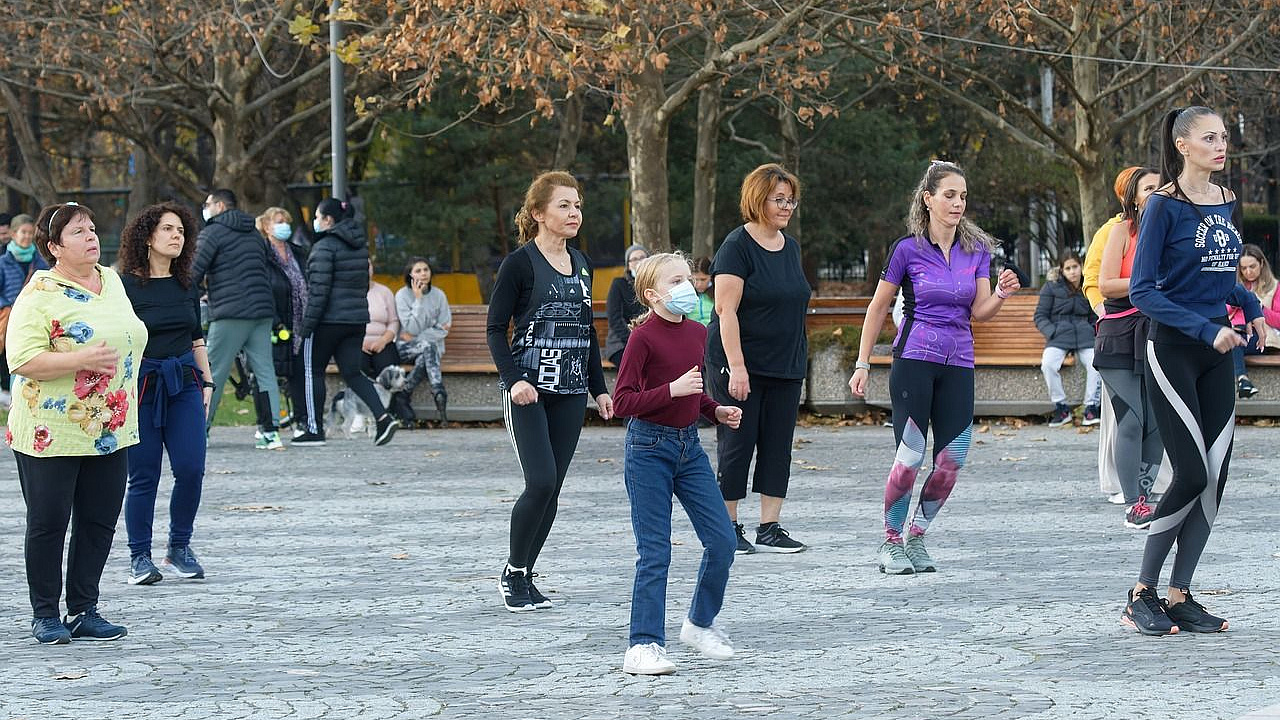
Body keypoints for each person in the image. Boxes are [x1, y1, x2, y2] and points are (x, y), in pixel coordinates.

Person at [1122, 106, 1266, 636]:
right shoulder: (1163, 206)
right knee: (1191, 473)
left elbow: (1218, 275)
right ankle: (1142, 592)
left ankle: (1181, 594)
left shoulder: (1227, 202)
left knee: (1215, 476)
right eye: (1210, 138)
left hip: (1217, 356)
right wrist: (1207, 330)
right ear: (1183, 146)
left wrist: (1249, 307)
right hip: (1173, 351)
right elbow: (1144, 291)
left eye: (1224, 137)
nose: (1221, 145)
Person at [849, 161, 1022, 575]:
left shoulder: (977, 250)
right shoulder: (907, 249)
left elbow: (980, 312)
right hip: (913, 361)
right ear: (928, 199)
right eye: (949, 195)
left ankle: (917, 537)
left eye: (963, 196)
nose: (958, 203)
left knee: (952, 460)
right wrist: (862, 363)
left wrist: (999, 293)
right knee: (909, 457)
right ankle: (891, 542)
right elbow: (877, 308)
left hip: (959, 363)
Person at [6, 201, 147, 643]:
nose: (91, 237)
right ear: (54, 247)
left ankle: (84, 609)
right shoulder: (39, 292)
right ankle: (45, 614)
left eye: (91, 228)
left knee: (100, 520)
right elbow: (22, 359)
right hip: (51, 429)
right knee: (49, 522)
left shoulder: (113, 281)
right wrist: (80, 357)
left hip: (110, 426)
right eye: (78, 232)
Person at [486, 170, 613, 612]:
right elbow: (494, 330)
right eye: (564, 205)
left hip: (571, 392)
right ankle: (512, 571)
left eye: (577, 205)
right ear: (539, 213)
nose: (574, 212)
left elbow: (586, 331)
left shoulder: (582, 263)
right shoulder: (519, 264)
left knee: (553, 489)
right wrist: (515, 379)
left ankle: (523, 574)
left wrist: (599, 389)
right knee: (539, 482)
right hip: (529, 391)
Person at [614, 252, 743, 675]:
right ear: (652, 295)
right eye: (675, 281)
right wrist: (669, 391)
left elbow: (692, 390)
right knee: (655, 551)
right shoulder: (643, 338)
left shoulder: (696, 332)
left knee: (723, 540)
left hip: (690, 449)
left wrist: (714, 410)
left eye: (688, 277)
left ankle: (699, 623)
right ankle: (643, 644)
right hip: (648, 450)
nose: (687, 285)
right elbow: (623, 401)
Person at [706, 163, 811, 555]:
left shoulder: (791, 246)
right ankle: (727, 525)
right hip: (740, 364)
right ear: (757, 200)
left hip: (785, 364)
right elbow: (725, 311)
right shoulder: (736, 246)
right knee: (738, 443)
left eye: (791, 200)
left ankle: (770, 526)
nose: (786, 207)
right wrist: (737, 367)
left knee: (777, 445)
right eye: (778, 199)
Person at [118, 202, 214, 585]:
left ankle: (179, 546)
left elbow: (196, 338)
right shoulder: (123, 286)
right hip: (142, 386)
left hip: (185, 384)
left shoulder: (186, 283)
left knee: (191, 469)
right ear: (148, 237)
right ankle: (139, 556)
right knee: (144, 475)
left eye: (182, 231)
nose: (178, 236)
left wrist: (206, 383)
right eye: (169, 229)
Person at [296, 198, 399, 447]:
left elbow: (318, 292)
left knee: (312, 371)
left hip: (327, 321)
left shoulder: (324, 248)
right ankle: (383, 418)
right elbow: (363, 285)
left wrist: (307, 326)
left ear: (328, 220)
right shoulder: (359, 248)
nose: (316, 221)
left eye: (319, 216)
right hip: (355, 321)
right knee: (353, 373)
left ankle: (314, 429)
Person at [1096, 166, 1164, 530]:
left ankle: (1145, 497)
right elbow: (1106, 284)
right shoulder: (1122, 231)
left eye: (1159, 187)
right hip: (1119, 333)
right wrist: (1146, 282)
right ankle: (1133, 503)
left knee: (1156, 423)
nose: (1154, 193)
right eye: (1147, 188)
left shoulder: (1170, 235)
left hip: (1158, 333)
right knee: (1132, 419)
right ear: (1134, 198)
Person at [192, 189, 281, 447]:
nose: (205, 208)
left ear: (219, 206)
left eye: (208, 203)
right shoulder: (254, 233)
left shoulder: (212, 233)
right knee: (265, 370)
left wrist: (195, 293)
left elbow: (194, 271)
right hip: (262, 310)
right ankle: (270, 430)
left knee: (212, 372)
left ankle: (200, 429)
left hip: (230, 312)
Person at [257, 206, 308, 445]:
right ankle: (267, 423)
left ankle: (302, 421)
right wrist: (276, 323)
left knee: (298, 374)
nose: (283, 225)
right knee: (267, 374)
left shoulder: (298, 252)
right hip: (274, 324)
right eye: (279, 221)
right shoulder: (263, 256)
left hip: (299, 322)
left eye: (286, 221)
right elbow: (264, 290)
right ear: (266, 226)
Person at [1034, 253, 1101, 427]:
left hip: (1085, 336)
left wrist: (1093, 331)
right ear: (1062, 271)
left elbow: (1096, 314)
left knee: (1096, 363)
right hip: (1059, 336)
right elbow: (1040, 316)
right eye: (1068, 268)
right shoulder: (1051, 287)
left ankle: (1091, 407)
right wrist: (1053, 332)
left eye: (1075, 267)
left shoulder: (1089, 285)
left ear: (1081, 266)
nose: (1072, 272)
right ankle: (1061, 408)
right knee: (1048, 364)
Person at [394, 256, 451, 424]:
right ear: (410, 275)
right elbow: (410, 329)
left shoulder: (439, 295)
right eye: (418, 271)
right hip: (406, 348)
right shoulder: (402, 296)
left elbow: (445, 327)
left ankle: (404, 394)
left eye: (426, 269)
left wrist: (419, 335)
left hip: (429, 349)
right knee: (428, 346)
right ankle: (438, 390)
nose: (423, 273)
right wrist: (418, 300)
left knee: (425, 353)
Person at [0, 213, 48, 409]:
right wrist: (8, 305)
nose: (27, 236)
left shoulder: (40, 262)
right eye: (23, 232)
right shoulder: (3, 262)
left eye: (30, 233)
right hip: (10, 317)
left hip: (34, 318)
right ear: (13, 234)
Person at [1229, 244, 1280, 398]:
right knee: (1231, 336)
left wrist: (1257, 307)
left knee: (1234, 339)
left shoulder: (1275, 287)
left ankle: (1242, 380)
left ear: (1262, 264)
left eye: (1252, 266)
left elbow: (1278, 320)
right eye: (1243, 268)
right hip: (1237, 333)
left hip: (1262, 337)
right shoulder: (1233, 287)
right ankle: (1243, 380)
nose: (1248, 272)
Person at [604, 244, 648, 366]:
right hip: (622, 341)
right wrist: (634, 340)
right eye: (634, 259)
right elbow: (614, 318)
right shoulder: (619, 284)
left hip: (650, 340)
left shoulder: (654, 284)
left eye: (642, 257)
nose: (639, 262)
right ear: (628, 265)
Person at [686, 256, 715, 326]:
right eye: (695, 279)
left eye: (703, 279)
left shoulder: (718, 292)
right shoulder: (686, 293)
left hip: (712, 332)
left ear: (711, 276)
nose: (698, 284)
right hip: (691, 332)